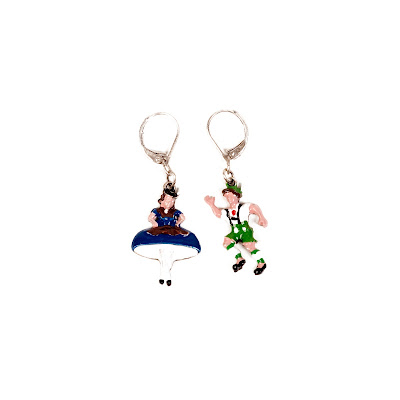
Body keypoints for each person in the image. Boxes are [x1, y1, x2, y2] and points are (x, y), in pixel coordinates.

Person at [204, 183, 268, 274]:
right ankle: (239, 258)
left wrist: (261, 217)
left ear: (237, 196)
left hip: (245, 230)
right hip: (235, 231)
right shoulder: (227, 212)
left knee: (249, 246)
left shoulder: (243, 208)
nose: (229, 199)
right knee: (227, 242)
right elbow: (219, 214)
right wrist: (211, 204)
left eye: (231, 196)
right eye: (227, 197)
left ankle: (261, 262)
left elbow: (254, 207)